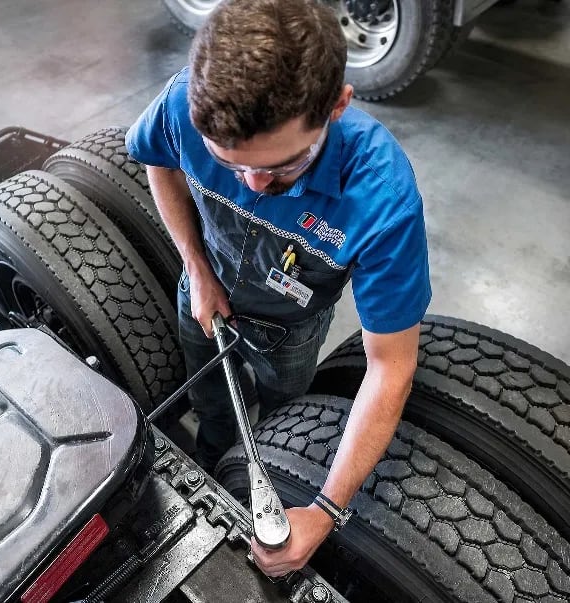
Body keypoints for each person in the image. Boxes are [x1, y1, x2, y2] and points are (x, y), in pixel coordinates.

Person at [125, 0, 430, 577]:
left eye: (284, 165)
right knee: (211, 402)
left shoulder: (381, 199)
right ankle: (215, 452)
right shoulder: (179, 104)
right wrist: (197, 266)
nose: (256, 184)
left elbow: (391, 366)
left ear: (338, 104)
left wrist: (325, 510)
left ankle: (261, 454)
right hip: (204, 293)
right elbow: (158, 162)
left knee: (283, 414)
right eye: (229, 164)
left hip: (290, 330)